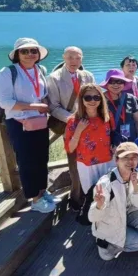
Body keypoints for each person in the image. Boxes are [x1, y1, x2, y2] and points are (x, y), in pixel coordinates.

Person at [0, 38, 58, 213]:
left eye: (33, 51)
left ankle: (42, 191)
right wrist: (34, 106)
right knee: (27, 161)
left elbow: (43, 93)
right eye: (25, 51)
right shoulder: (8, 73)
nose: (30, 54)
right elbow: (5, 102)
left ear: (38, 54)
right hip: (18, 122)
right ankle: (35, 199)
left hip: (38, 121)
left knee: (42, 158)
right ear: (17, 54)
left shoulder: (40, 69)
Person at [89, 142, 138, 260]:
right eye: (125, 157)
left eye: (134, 157)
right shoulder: (105, 183)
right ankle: (107, 246)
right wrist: (99, 206)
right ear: (116, 160)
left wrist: (135, 186)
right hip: (111, 223)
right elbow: (92, 218)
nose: (130, 161)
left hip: (128, 215)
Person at [46, 46, 95, 208]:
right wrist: (72, 119)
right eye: (70, 57)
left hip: (88, 126)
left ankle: (91, 195)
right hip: (69, 126)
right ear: (64, 58)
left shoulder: (87, 76)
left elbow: (96, 98)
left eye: (78, 58)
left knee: (90, 161)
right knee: (74, 163)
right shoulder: (54, 78)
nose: (74, 61)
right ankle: (76, 199)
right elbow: (53, 106)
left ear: (82, 58)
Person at [64, 84, 115, 195]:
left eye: (96, 97)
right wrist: (78, 130)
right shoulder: (74, 121)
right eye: (88, 97)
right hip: (87, 165)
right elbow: (70, 148)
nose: (92, 101)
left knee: (110, 192)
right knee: (92, 195)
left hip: (108, 161)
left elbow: (113, 135)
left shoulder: (107, 116)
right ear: (81, 99)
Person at [101, 69, 138, 146]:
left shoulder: (131, 98)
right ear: (107, 84)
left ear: (124, 84)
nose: (116, 85)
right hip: (109, 143)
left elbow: (137, 122)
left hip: (130, 140)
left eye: (119, 81)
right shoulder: (100, 100)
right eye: (112, 82)